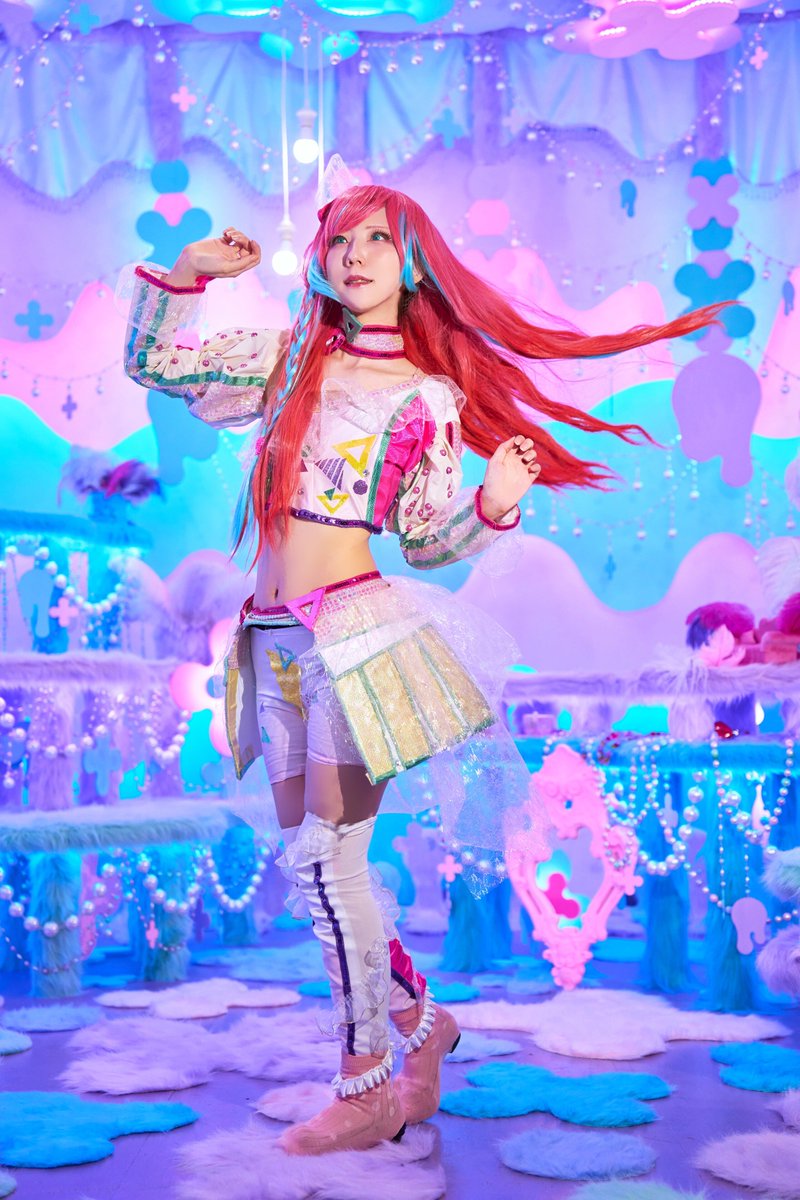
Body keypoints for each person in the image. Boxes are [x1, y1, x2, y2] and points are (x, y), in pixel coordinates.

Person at [122, 169, 719, 1155]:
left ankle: (365, 1088)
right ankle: (423, 1023)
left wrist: (490, 507)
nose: (353, 256)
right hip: (269, 640)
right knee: (316, 869)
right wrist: (185, 273)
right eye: (339, 240)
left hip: (355, 640)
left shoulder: (423, 396)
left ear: (410, 265)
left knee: (330, 862)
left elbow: (425, 540)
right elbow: (154, 363)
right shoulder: (286, 360)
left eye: (376, 241)